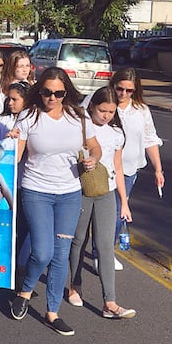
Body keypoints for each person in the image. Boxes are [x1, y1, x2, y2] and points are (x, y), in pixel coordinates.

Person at [10, 67, 102, 337]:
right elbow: (15, 157)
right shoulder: (28, 117)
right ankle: (25, 289)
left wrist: (93, 158)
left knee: (61, 254)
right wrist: (9, 142)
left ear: (66, 93)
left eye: (58, 93)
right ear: (40, 91)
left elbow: (94, 146)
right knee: (42, 252)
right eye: (47, 92)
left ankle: (53, 312)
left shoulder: (78, 116)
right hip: (36, 191)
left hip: (70, 193)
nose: (52, 97)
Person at [67, 87, 136, 319]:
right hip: (82, 190)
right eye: (102, 110)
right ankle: (75, 286)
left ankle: (110, 302)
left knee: (105, 245)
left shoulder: (116, 132)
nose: (106, 115)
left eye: (111, 111)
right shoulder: (80, 126)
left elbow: (118, 168)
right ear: (92, 107)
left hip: (107, 192)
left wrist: (124, 202)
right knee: (78, 240)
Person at [106, 68, 164, 271]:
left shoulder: (141, 110)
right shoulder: (105, 105)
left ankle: (105, 253)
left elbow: (150, 139)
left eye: (128, 90)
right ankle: (98, 252)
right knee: (102, 215)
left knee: (117, 213)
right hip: (103, 169)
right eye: (119, 88)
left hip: (128, 171)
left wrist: (158, 169)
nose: (123, 94)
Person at [0, 50, 33, 118]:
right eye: (21, 66)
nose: (25, 70)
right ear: (13, 67)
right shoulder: (4, 87)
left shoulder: (31, 86)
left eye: (27, 66)